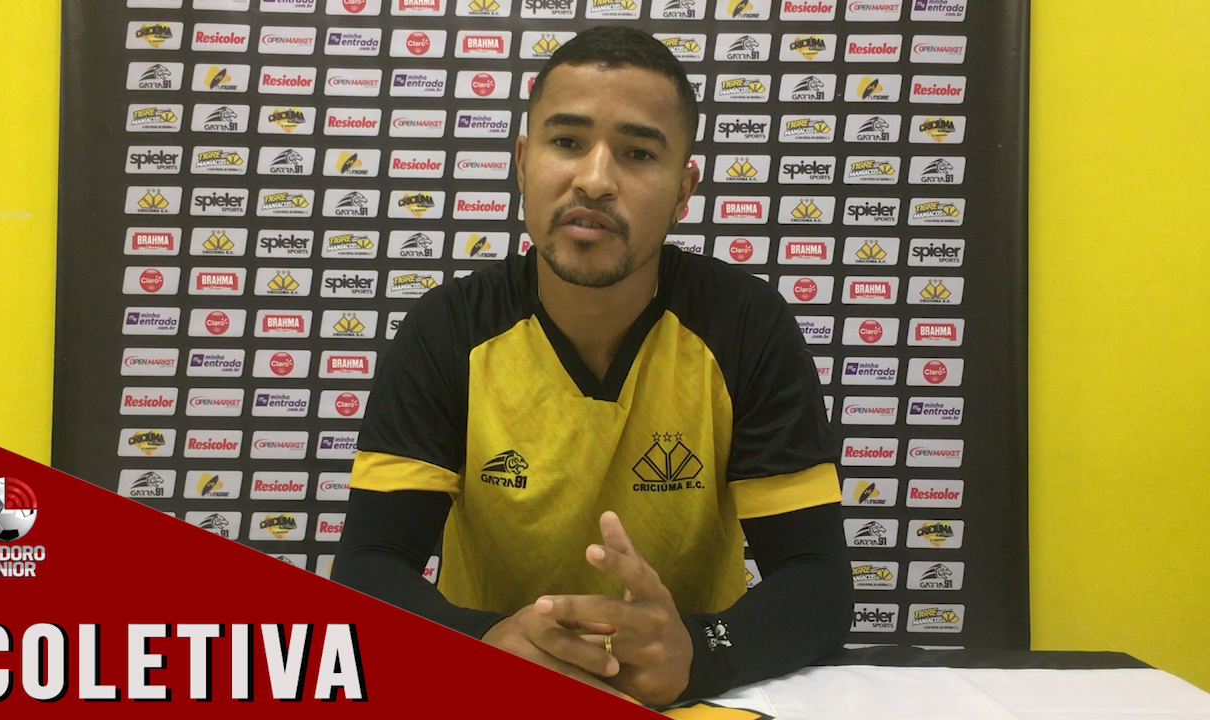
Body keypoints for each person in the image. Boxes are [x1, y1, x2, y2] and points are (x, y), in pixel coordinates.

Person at [332, 25, 852, 706]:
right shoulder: (446, 330)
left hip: (681, 700)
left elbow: (816, 579)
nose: (595, 180)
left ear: (683, 190)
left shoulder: (745, 326)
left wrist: (700, 653)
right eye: (567, 142)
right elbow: (368, 568)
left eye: (638, 153)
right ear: (524, 162)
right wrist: (484, 643)